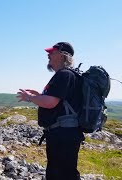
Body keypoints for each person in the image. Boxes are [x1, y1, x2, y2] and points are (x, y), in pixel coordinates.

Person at [17, 42, 85, 180]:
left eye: (52, 52)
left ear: (62, 55)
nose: (48, 55)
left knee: (61, 174)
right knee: (63, 171)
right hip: (64, 133)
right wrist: (38, 95)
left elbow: (50, 103)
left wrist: (30, 98)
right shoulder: (66, 75)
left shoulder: (64, 75)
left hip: (63, 135)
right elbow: (57, 101)